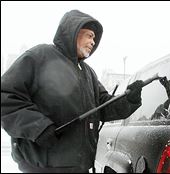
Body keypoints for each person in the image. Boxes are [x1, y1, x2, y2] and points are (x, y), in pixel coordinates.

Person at [1, 9, 143, 173]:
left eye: (94, 38)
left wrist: (129, 100)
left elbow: (103, 106)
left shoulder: (88, 72)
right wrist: (38, 127)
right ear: (73, 32)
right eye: (89, 36)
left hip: (79, 166)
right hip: (42, 166)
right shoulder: (40, 56)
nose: (93, 42)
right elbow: (6, 95)